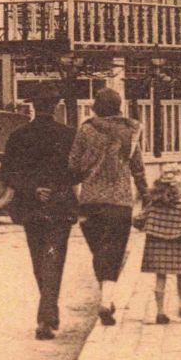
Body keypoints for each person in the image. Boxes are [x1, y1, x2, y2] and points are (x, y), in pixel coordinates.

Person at [0, 86, 77, 340]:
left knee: (38, 262)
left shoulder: (19, 136)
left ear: (33, 107)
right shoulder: (69, 136)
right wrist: (55, 189)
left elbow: (7, 173)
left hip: (31, 208)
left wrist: (34, 190)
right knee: (54, 259)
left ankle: (47, 315)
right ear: (55, 107)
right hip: (60, 208)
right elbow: (77, 171)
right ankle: (47, 317)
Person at [67, 87, 148, 326]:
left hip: (90, 203)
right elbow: (138, 167)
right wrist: (145, 194)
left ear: (96, 107)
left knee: (99, 253)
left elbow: (74, 165)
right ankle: (106, 300)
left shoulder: (86, 130)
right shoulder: (130, 131)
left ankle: (106, 299)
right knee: (113, 253)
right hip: (120, 203)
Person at [135, 165, 181, 324]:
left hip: (156, 245)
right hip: (179, 246)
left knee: (160, 277)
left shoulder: (153, 207)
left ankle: (160, 311)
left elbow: (138, 220)